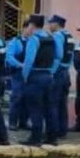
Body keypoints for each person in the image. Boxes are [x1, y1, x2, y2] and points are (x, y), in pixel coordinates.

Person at [20, 14, 61, 146]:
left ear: (32, 25)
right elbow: (58, 56)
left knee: (35, 108)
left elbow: (29, 61)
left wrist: (25, 76)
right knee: (50, 107)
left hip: (35, 76)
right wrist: (52, 71)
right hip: (48, 76)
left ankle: (36, 138)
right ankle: (52, 137)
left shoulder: (34, 39)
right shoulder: (52, 38)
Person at [48, 14, 75, 138]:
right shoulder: (69, 36)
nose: (49, 25)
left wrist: (52, 71)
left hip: (58, 72)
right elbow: (71, 57)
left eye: (51, 23)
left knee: (53, 102)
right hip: (65, 72)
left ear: (57, 24)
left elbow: (57, 55)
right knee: (62, 103)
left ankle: (54, 130)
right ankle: (62, 130)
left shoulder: (57, 36)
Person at [6, 20, 31, 130]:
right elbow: (9, 57)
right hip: (18, 74)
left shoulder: (34, 41)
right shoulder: (15, 42)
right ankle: (12, 122)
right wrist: (20, 65)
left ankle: (24, 122)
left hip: (30, 74)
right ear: (24, 29)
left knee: (28, 98)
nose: (31, 31)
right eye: (29, 29)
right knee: (17, 97)